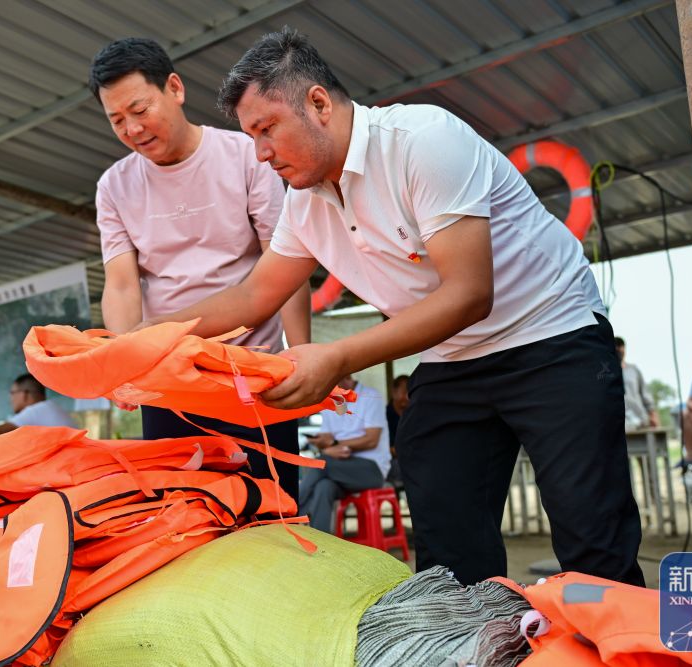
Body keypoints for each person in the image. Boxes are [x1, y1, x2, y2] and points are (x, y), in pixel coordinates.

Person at [138, 27, 644, 586]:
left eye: (267, 129)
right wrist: (144, 335)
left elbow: (469, 294)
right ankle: (470, 629)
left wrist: (336, 357)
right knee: (447, 549)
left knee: (592, 535)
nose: (260, 152)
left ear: (318, 103)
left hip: (550, 334)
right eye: (250, 136)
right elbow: (255, 296)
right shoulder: (305, 202)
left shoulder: (422, 141)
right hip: (453, 359)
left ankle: (618, 625)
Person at [87, 37, 311, 500]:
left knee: (270, 508)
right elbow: (123, 285)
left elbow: (283, 262)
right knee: (184, 513)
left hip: (252, 374)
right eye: (117, 120)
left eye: (139, 109)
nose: (132, 128)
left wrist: (302, 356)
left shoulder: (246, 155)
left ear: (175, 88)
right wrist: (123, 365)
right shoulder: (114, 186)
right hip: (169, 384)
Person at [300, 374, 390, 532]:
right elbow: (327, 437)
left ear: (346, 376)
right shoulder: (331, 399)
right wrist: (323, 443)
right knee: (324, 487)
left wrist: (334, 446)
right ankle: (320, 542)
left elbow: (371, 440)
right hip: (339, 469)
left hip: (371, 470)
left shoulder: (371, 396)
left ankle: (291, 510)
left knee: (321, 463)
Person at [614, 337, 658, 430]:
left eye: (620, 345)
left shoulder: (634, 370)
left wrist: (653, 415)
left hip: (640, 421)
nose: (618, 349)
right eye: (615, 346)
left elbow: (645, 394)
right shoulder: (603, 373)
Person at [385, 374, 409, 486]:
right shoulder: (384, 415)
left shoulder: (415, 414)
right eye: (404, 392)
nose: (408, 397)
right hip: (392, 461)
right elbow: (388, 449)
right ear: (394, 392)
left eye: (411, 393)